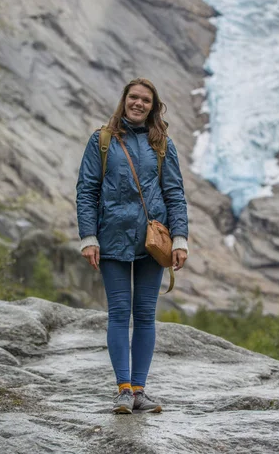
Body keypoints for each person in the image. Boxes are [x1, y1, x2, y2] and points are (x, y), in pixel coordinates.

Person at [76, 78, 189, 414]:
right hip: (110, 239)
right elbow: (87, 191)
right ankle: (123, 389)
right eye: (133, 97)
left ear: (153, 107)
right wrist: (88, 237)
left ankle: (139, 389)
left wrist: (179, 238)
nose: (138, 103)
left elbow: (174, 193)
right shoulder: (102, 140)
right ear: (124, 100)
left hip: (151, 244)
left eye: (145, 100)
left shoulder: (162, 144)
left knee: (144, 316)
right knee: (119, 314)